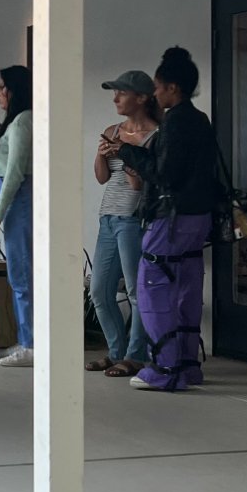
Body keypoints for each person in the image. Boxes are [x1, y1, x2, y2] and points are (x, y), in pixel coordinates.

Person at [118, 45, 220, 393]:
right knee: (188, 286)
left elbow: (165, 175)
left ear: (172, 88)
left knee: (154, 286)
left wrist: (127, 151)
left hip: (171, 217)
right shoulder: (200, 119)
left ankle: (164, 367)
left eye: (158, 87)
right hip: (199, 216)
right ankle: (188, 364)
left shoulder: (176, 122)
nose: (155, 93)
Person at [87, 69, 159, 378]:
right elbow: (103, 177)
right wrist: (103, 154)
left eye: (121, 93)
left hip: (133, 218)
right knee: (100, 291)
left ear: (141, 98)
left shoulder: (156, 135)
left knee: (134, 289)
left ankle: (135, 355)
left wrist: (126, 155)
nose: (115, 98)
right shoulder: (112, 129)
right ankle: (115, 352)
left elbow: (139, 186)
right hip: (108, 217)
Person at [0, 66, 34, 369]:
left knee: (23, 274)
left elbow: (15, 173)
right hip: (12, 195)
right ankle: (26, 339)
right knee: (18, 274)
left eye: (2, 87)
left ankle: (32, 344)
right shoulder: (15, 121)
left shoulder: (24, 120)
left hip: (20, 197)